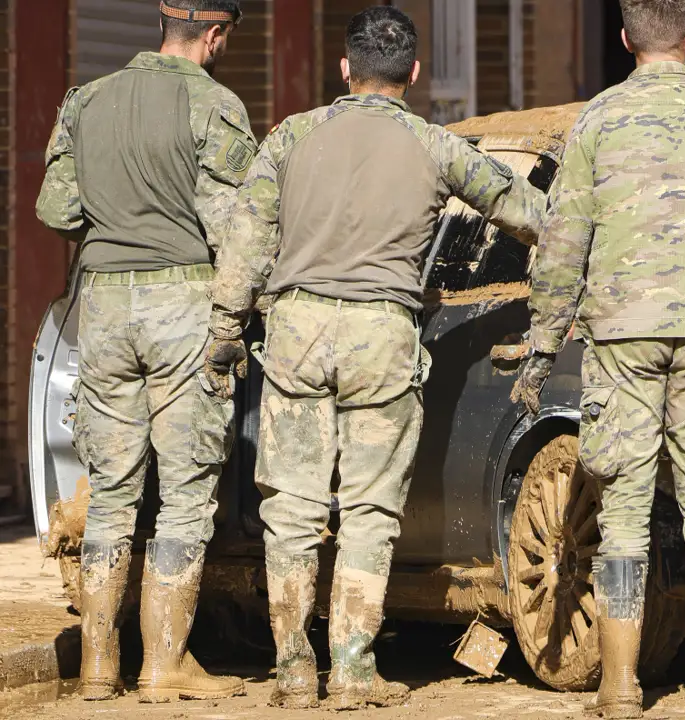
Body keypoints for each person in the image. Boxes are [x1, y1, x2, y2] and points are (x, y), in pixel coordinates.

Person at [206, 6, 545, 710]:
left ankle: (295, 669)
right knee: (368, 509)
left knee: (292, 510)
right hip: (382, 338)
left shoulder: (292, 137)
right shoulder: (436, 147)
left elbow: (244, 241)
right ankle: (355, 670)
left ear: (344, 69)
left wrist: (224, 331)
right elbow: (526, 211)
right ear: (415, 74)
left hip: (296, 332)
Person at [509, 0, 685, 716]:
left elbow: (562, 240)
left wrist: (543, 344)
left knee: (624, 510)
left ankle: (619, 685)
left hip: (622, 334)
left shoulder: (597, 119)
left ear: (626, 39)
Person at [35, 0, 255, 703]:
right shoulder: (215, 106)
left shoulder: (85, 102)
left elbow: (57, 211)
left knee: (112, 497)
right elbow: (237, 232)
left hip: (102, 306)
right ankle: (164, 665)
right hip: (183, 304)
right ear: (215, 33)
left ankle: (100, 668)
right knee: (186, 492)